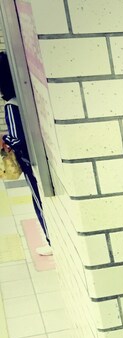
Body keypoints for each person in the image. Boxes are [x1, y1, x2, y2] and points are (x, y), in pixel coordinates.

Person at [0, 51, 52, 256]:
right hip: (42, 156)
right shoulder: (29, 96)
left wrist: (5, 141)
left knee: (37, 201)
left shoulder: (11, 105)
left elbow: (18, 139)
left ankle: (51, 241)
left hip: (29, 161)